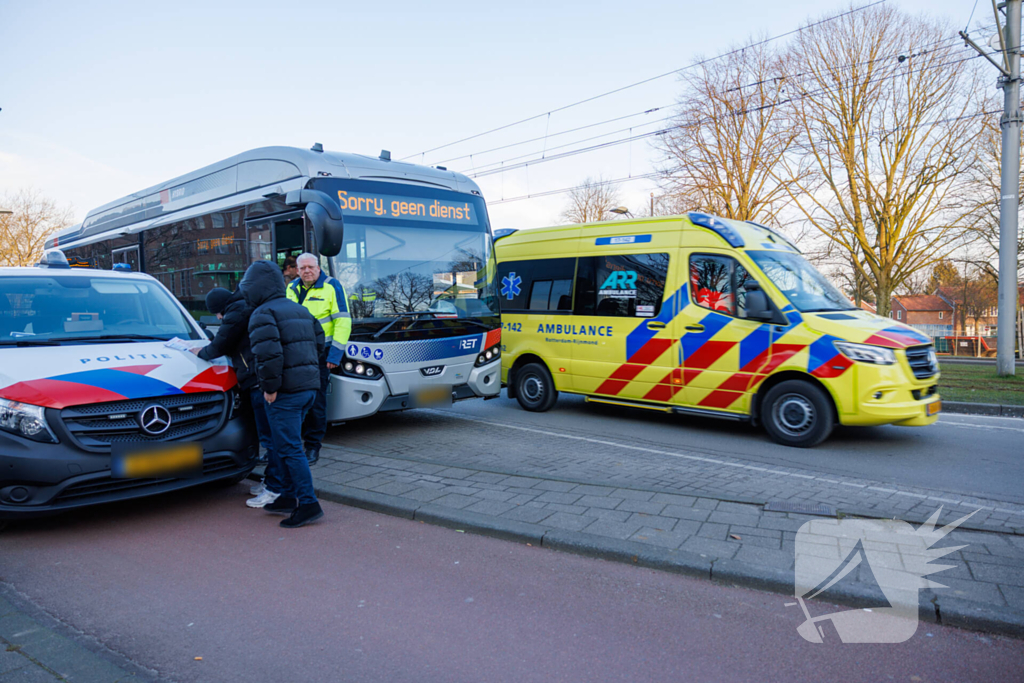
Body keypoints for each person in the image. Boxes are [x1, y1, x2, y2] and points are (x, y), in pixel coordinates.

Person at [240, 260, 326, 528]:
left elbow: (267, 356)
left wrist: (270, 388)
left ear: (255, 288)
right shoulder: (300, 310)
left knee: (288, 448)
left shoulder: (262, 313)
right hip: (308, 389)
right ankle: (288, 496)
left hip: (284, 394)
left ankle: (308, 504)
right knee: (287, 445)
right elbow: (320, 341)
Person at [191, 288, 279, 504]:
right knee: (270, 435)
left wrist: (199, 353)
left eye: (217, 314)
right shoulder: (245, 306)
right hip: (260, 380)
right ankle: (273, 481)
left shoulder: (235, 313)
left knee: (270, 437)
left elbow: (220, 344)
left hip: (257, 382)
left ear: (220, 309)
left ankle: (275, 486)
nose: (218, 318)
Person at [286, 253, 351, 464]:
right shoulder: (291, 288)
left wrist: (335, 354)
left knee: (317, 402)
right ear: (297, 269)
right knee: (293, 399)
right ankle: (292, 444)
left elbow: (342, 321)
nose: (306, 271)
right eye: (302, 268)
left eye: (310, 267)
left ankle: (313, 446)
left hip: (322, 353)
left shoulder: (332, 286)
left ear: (318, 267)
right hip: (296, 354)